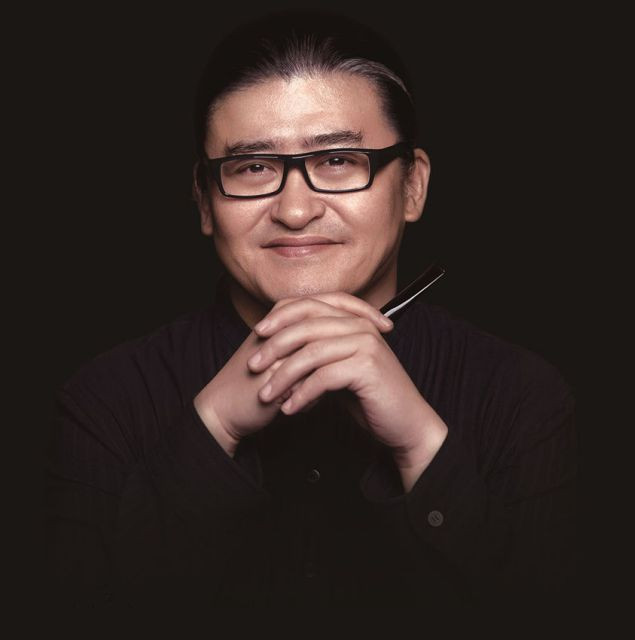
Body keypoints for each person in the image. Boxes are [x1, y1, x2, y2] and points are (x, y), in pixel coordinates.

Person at [44, 8, 577, 618]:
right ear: (205, 202)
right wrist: (212, 429)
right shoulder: (104, 401)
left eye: (338, 161)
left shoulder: (522, 398)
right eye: (252, 168)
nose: (295, 211)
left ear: (412, 186)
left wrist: (422, 448)